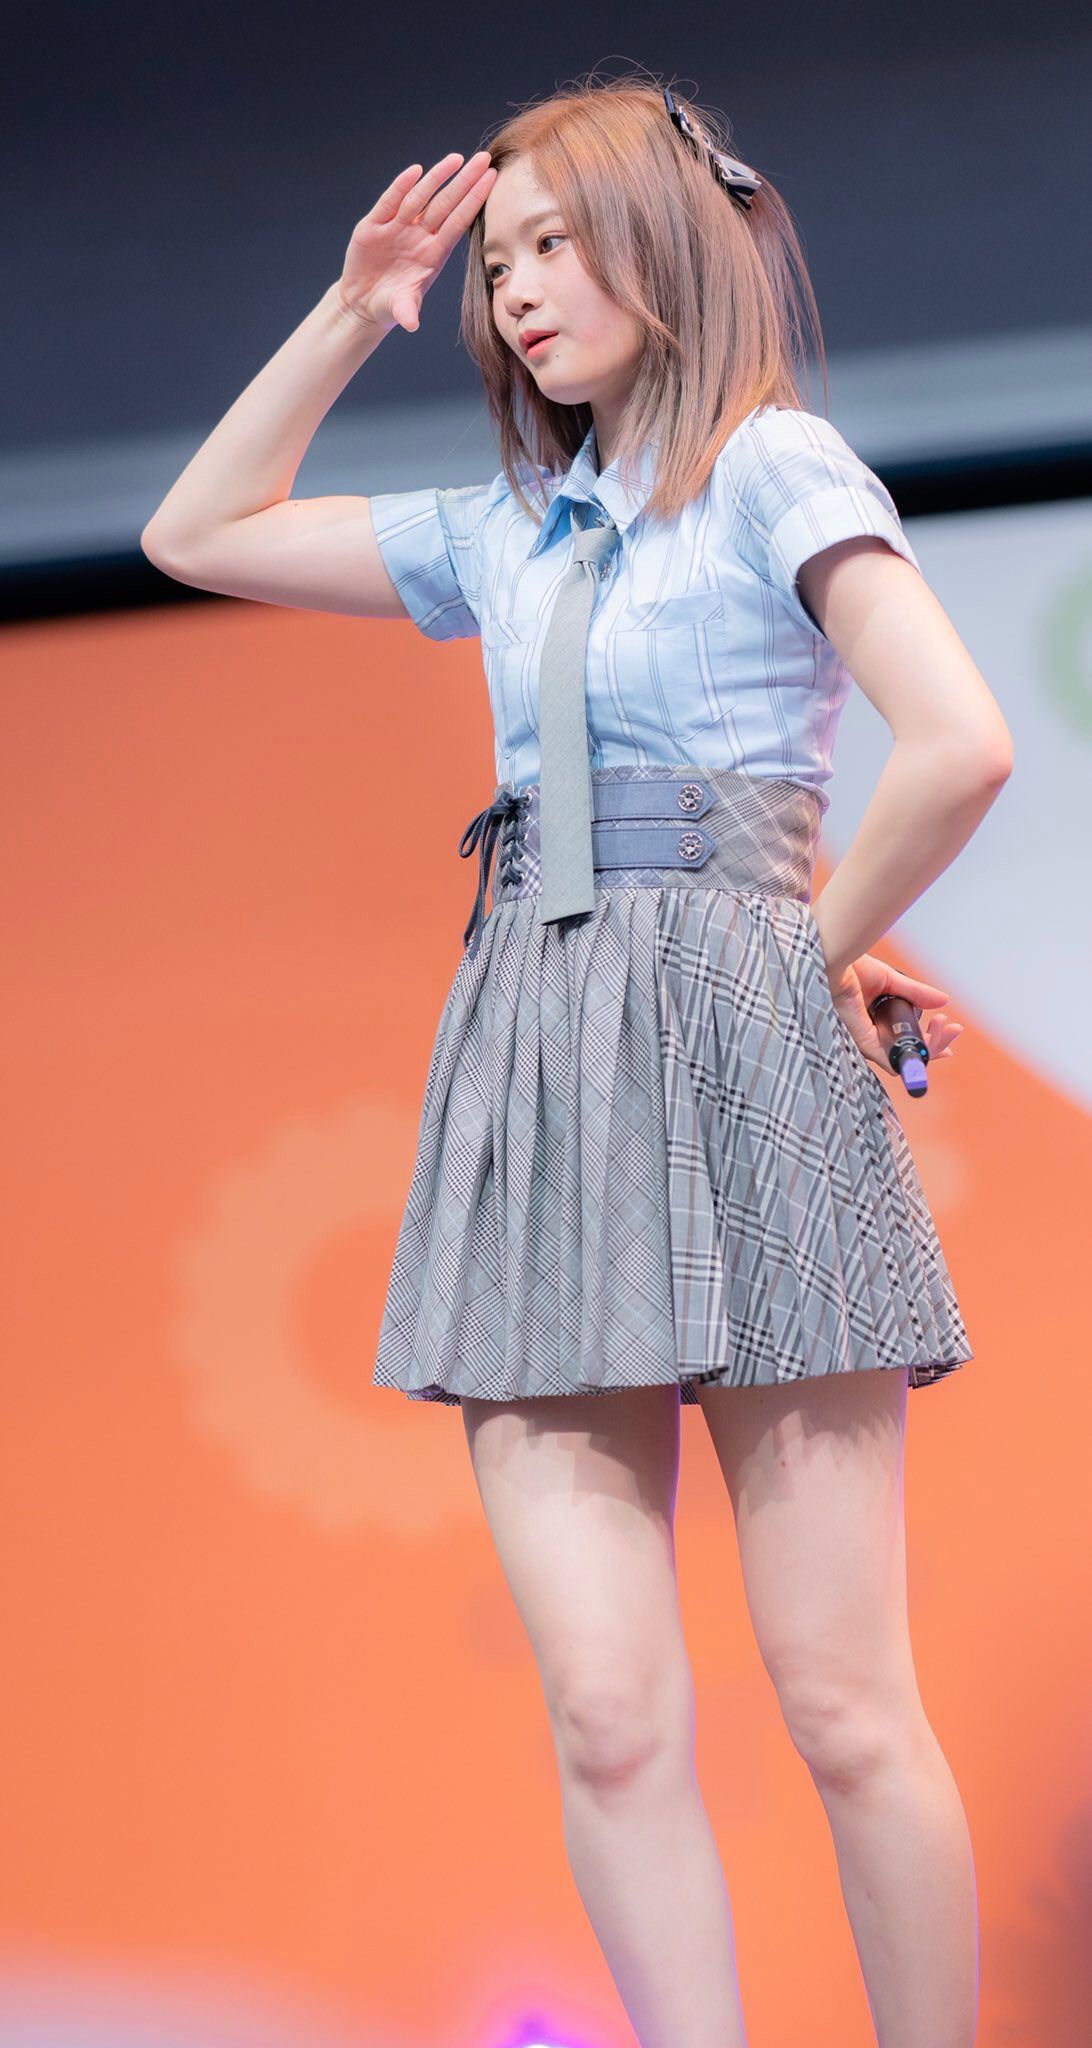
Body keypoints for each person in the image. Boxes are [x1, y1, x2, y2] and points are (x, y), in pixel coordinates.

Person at [142, 70, 1012, 2048]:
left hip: (748, 1060)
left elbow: (960, 740)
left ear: (665, 243)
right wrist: (354, 306)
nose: (517, 290)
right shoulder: (509, 529)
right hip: (537, 1069)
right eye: (498, 262)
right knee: (609, 1710)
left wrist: (802, 949)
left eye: (554, 244)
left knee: (843, 1702)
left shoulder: (773, 467)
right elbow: (197, 529)